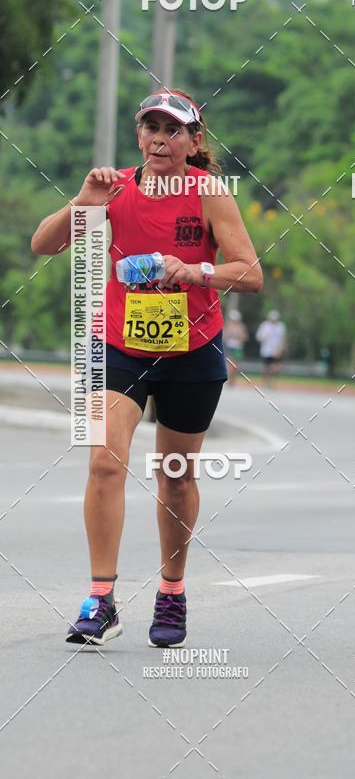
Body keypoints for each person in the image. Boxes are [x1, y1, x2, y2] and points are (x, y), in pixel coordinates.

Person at [31, 89, 263, 647]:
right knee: (106, 463)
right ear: (138, 135)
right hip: (117, 342)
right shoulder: (114, 189)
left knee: (176, 478)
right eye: (150, 126)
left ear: (193, 140)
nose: (160, 137)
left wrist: (193, 271)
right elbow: (44, 244)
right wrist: (82, 200)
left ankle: (172, 592)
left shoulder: (209, 193)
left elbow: (249, 274)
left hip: (192, 347)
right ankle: (101, 596)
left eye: (173, 129)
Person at [256, 310, 286, 384]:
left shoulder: (280, 326)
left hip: (276, 350)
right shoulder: (264, 326)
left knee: (275, 367)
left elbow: (283, 338)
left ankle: (271, 382)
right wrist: (264, 340)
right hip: (266, 350)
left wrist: (281, 349)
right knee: (266, 367)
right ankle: (265, 381)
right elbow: (259, 337)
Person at [223, 309, 248, 384]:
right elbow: (224, 337)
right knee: (230, 364)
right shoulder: (227, 326)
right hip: (230, 347)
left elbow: (244, 337)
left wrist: (237, 335)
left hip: (238, 348)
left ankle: (233, 380)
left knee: (236, 365)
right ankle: (229, 380)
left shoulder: (241, 327)